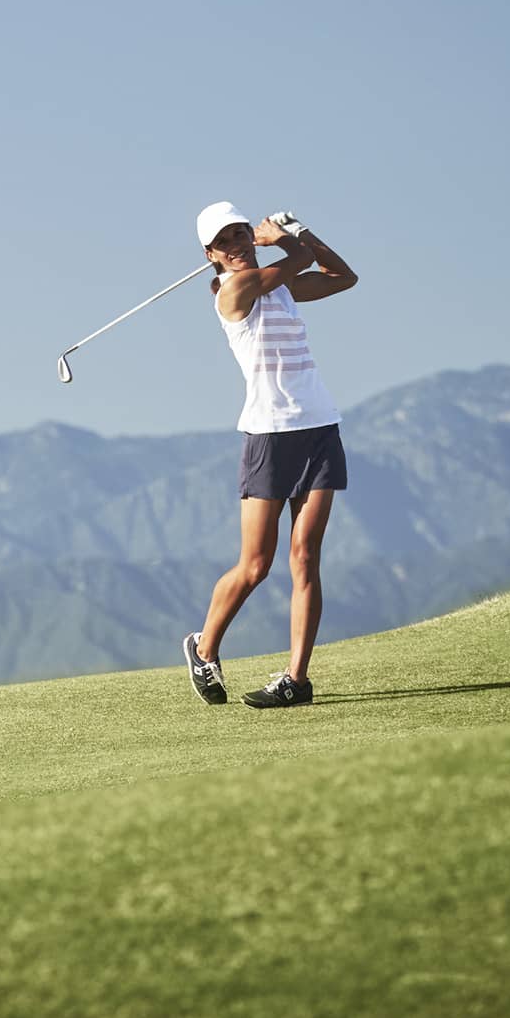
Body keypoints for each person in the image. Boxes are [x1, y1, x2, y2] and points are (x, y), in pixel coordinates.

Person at [183, 203, 358, 709]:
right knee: (256, 564)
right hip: (268, 436)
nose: (237, 242)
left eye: (242, 232)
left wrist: (299, 234)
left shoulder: (279, 287)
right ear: (210, 255)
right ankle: (204, 645)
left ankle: (296, 681)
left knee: (305, 557)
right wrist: (285, 238)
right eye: (226, 240)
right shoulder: (235, 292)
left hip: (319, 427)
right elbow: (298, 260)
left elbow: (342, 277)